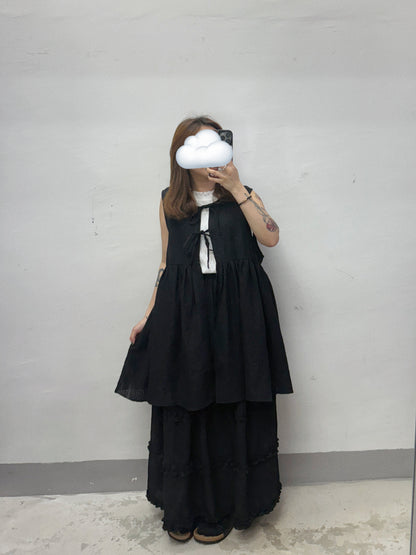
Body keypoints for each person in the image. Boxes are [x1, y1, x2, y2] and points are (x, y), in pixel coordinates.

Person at [114, 115, 294, 544]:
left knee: (231, 403)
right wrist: (149, 314)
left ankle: (225, 506)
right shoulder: (169, 202)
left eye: (214, 143)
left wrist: (236, 186)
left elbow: (270, 237)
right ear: (180, 153)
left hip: (238, 314)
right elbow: (166, 262)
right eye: (196, 145)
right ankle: (185, 504)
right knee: (187, 402)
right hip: (185, 314)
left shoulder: (244, 195)